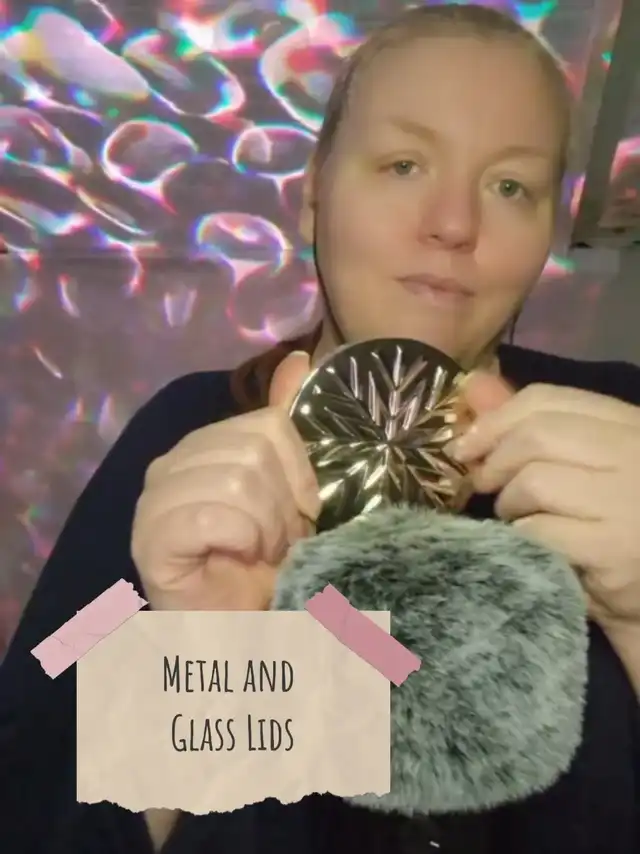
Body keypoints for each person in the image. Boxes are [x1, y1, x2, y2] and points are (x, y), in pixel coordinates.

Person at [1, 4, 639, 853]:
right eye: (404, 164)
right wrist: (204, 662)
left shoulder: (625, 437)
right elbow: (42, 715)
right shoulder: (187, 432)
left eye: (510, 186)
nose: (455, 223)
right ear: (313, 198)